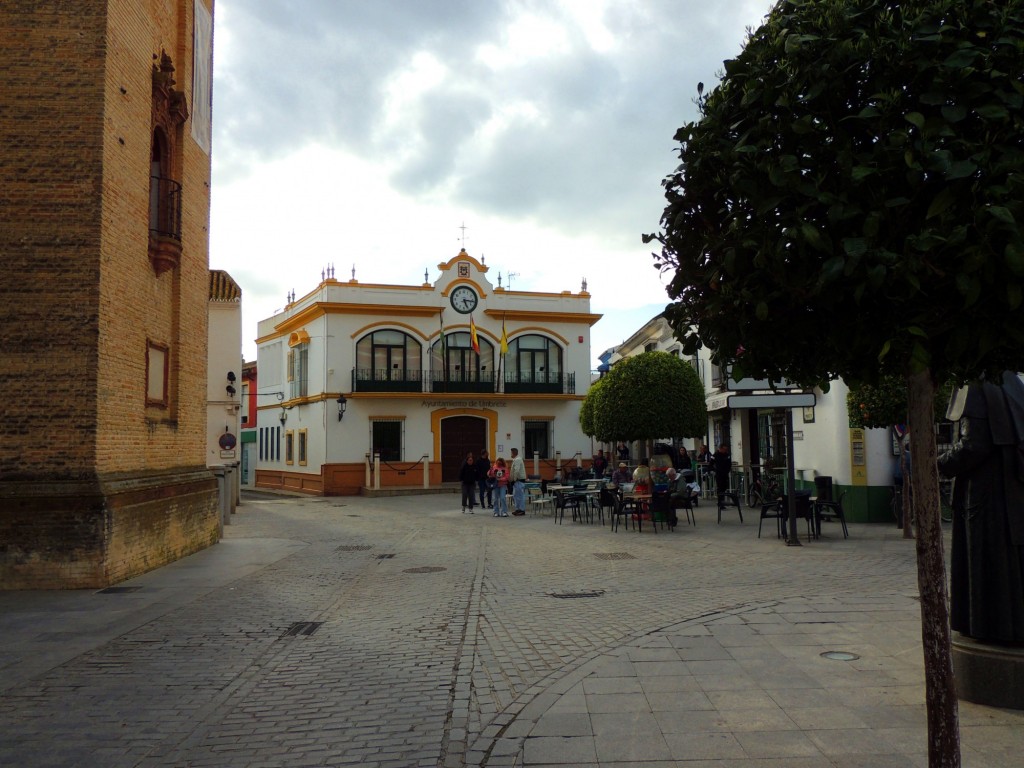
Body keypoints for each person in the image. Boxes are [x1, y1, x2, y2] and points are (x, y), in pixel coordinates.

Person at [938, 372, 1024, 644]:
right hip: (1011, 488)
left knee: (985, 556)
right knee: (1007, 559)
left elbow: (973, 445)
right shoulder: (1013, 384)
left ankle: (987, 625)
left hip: (983, 491)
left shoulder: (973, 384)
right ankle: (1010, 624)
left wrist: (937, 464)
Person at [711, 443, 732, 509]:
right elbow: (710, 464)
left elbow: (729, 464)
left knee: (724, 488)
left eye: (726, 449)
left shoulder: (727, 455)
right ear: (720, 449)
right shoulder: (715, 455)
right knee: (720, 489)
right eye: (724, 449)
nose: (725, 450)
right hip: (719, 474)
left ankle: (721, 501)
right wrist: (714, 470)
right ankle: (720, 503)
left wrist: (727, 470)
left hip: (725, 474)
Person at [509, 447, 527, 515]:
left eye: (511, 452)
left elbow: (516, 471)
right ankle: (518, 509)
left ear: (513, 453)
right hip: (517, 481)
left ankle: (521, 510)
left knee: (519, 496)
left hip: (518, 481)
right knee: (516, 495)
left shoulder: (517, 460)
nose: (510, 454)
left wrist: (514, 479)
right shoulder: (516, 460)